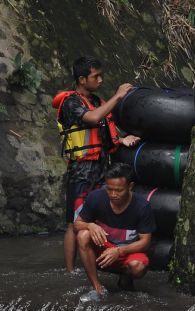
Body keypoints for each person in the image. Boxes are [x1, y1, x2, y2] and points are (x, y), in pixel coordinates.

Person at [54, 56, 139, 275]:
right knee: (76, 223)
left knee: (102, 217)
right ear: (82, 79)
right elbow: (91, 119)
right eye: (95, 76)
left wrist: (121, 140)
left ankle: (99, 262)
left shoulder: (98, 101)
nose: (100, 80)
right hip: (81, 172)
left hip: (102, 169)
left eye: (101, 75)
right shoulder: (71, 102)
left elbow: (104, 132)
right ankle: (70, 271)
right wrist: (118, 96)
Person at [74, 163, 157, 302]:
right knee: (83, 234)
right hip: (103, 249)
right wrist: (90, 225)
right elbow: (76, 225)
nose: (113, 194)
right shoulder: (96, 197)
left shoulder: (142, 207)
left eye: (118, 190)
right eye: (109, 189)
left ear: (130, 187)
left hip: (126, 252)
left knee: (138, 267)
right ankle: (97, 288)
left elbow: (145, 242)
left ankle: (125, 279)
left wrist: (119, 251)